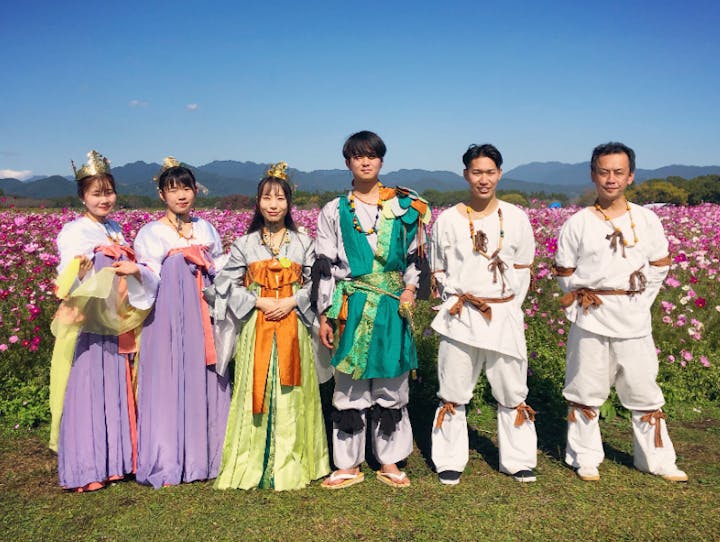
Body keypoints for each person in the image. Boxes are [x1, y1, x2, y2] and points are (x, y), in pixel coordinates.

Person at [554, 142, 687, 482]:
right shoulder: (578, 223)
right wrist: (584, 301)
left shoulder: (646, 219)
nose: (610, 179)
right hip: (590, 315)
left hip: (633, 315)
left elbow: (660, 265)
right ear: (593, 175)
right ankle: (585, 457)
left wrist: (642, 299)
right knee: (585, 386)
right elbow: (564, 273)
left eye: (618, 172)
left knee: (642, 387)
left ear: (630, 176)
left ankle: (656, 460)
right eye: (604, 172)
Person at [314, 130, 430, 489]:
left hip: (392, 305)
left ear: (381, 160)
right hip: (350, 303)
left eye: (372, 156)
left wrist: (410, 288)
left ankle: (389, 460)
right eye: (357, 156)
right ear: (347, 162)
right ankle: (347, 463)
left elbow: (415, 254)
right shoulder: (334, 210)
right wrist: (324, 314)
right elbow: (324, 264)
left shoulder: (404, 205)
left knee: (391, 379)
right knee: (348, 383)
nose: (365, 162)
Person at [206, 162, 331, 490]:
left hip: (293, 325)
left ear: (289, 203)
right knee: (256, 386)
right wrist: (258, 301)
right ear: (258, 202)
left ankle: (294, 458)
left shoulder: (303, 242)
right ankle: (252, 457)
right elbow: (223, 284)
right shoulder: (244, 244)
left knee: (293, 393)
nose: (273, 205)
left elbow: (316, 283)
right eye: (266, 198)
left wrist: (291, 301)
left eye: (280, 198)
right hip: (257, 326)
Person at [429, 144, 538, 485]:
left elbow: (523, 268)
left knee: (512, 387)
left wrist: (507, 306)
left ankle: (519, 460)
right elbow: (438, 269)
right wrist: (459, 299)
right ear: (466, 174)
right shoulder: (447, 220)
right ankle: (449, 459)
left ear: (499, 174)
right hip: (460, 313)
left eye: (490, 172)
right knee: (453, 386)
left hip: (503, 313)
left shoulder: (516, 218)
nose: (483, 179)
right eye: (477, 172)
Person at [50, 150, 152, 491]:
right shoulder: (74, 231)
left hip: (116, 319)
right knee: (88, 389)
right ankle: (86, 466)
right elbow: (67, 278)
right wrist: (81, 270)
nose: (104, 199)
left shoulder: (115, 229)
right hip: (90, 321)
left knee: (115, 385)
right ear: (82, 197)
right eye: (96, 193)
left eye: (109, 192)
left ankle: (115, 461)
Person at [133, 158, 231, 488]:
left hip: (203, 313)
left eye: (186, 188)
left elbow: (219, 267)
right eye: (172, 189)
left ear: (195, 191)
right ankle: (169, 456)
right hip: (168, 317)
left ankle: (207, 456)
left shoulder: (206, 228)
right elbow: (150, 275)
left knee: (206, 374)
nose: (181, 195)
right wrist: (136, 272)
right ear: (161, 195)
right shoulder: (152, 233)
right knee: (169, 375)